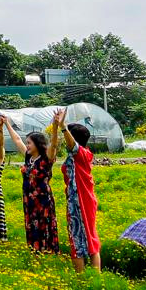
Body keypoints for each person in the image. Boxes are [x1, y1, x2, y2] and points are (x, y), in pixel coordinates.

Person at [2, 113, 59, 255]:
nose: (26, 145)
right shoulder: (29, 157)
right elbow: (16, 139)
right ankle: (35, 252)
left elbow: (54, 143)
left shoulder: (46, 159)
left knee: (43, 225)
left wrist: (56, 126)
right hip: (29, 200)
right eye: (26, 142)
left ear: (38, 144)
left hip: (42, 200)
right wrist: (7, 123)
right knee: (31, 226)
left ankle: (47, 252)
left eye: (29, 143)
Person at [53, 107, 101, 272]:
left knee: (87, 237)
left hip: (83, 201)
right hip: (75, 201)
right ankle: (88, 278)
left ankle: (89, 278)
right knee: (78, 237)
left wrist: (63, 127)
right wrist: (57, 125)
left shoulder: (82, 154)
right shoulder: (75, 156)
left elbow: (72, 145)